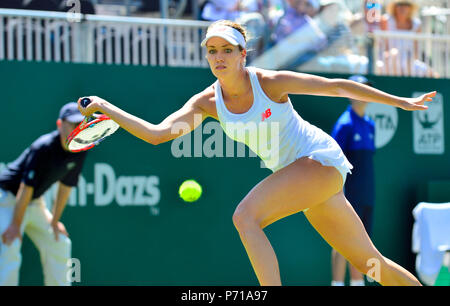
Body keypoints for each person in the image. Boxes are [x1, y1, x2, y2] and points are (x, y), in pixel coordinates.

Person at [77, 20, 436, 286]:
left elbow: (336, 86)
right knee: (372, 264)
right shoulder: (206, 103)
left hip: (319, 160)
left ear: (242, 54)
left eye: (227, 50)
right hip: (309, 181)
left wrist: (400, 101)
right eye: (212, 51)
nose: (219, 57)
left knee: (245, 217)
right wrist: (108, 108)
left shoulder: (269, 82)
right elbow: (157, 134)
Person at [0, 102, 88, 286]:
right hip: (8, 199)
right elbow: (25, 187)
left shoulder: (80, 149)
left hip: (34, 201)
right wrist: (15, 226)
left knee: (60, 241)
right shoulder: (43, 147)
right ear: (59, 124)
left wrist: (54, 221)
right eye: (73, 124)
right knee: (10, 243)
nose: (77, 129)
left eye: (81, 124)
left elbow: (66, 186)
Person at [330, 75, 376, 286]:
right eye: (357, 89)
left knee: (363, 242)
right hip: (347, 192)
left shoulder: (370, 125)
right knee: (342, 241)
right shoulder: (344, 125)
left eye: (365, 89)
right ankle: (337, 283)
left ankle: (358, 283)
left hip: (367, 192)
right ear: (349, 95)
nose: (362, 94)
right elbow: (333, 163)